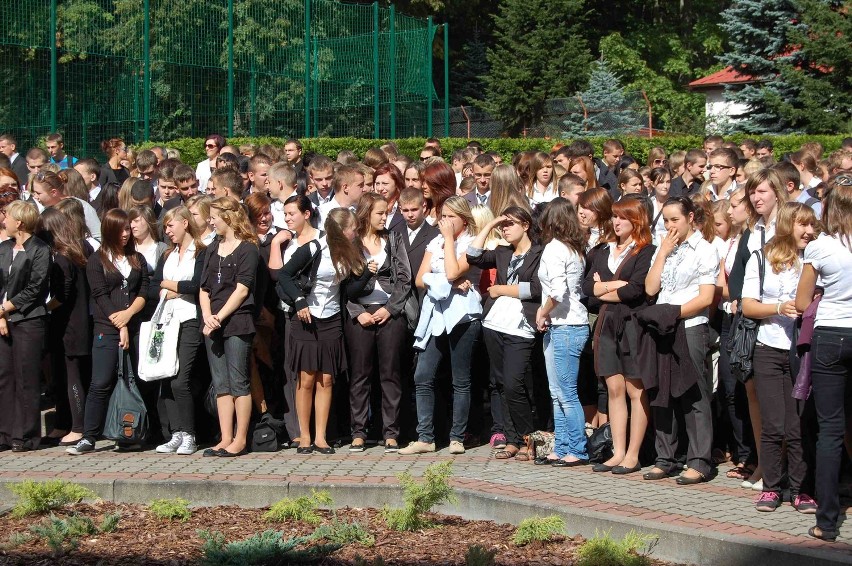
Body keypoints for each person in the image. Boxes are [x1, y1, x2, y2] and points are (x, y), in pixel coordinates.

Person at [742, 202, 818, 512]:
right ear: (787, 226)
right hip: (768, 348)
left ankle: (801, 489)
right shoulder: (761, 259)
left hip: (802, 351)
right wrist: (777, 308)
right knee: (773, 423)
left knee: (798, 424)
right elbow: (748, 305)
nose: (809, 231)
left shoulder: (815, 261)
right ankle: (772, 487)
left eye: (812, 225)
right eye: (802, 225)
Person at [277, 207, 371, 455]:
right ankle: (304, 435)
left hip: (332, 318)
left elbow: (349, 291)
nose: (356, 233)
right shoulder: (314, 247)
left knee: (327, 379)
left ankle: (321, 436)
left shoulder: (348, 254)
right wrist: (299, 301)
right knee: (306, 378)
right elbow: (284, 275)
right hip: (307, 317)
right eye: (352, 229)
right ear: (341, 230)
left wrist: (367, 272)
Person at [643, 196, 719, 484]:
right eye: (665, 220)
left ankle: (699, 460)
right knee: (661, 392)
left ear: (690, 218)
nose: (670, 225)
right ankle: (666, 457)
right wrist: (662, 252)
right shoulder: (666, 247)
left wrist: (672, 315)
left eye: (675, 219)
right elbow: (651, 287)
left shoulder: (705, 249)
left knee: (693, 393)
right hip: (663, 325)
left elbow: (706, 297)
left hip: (689, 325)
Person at [400, 196, 482, 455]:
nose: (444, 222)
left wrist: (449, 242)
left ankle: (457, 436)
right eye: (442, 216)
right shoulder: (433, 242)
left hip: (463, 316)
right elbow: (420, 279)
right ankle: (425, 437)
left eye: (450, 217)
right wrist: (449, 284)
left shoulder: (471, 242)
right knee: (422, 375)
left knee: (461, 379)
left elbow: (453, 270)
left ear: (463, 219)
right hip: (435, 315)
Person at [796, 178, 852, 541]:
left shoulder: (821, 248)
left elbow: (802, 303)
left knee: (830, 430)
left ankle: (827, 521)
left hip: (832, 334)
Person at [67, 209, 149, 455]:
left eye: (128, 229)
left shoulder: (137, 258)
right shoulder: (97, 260)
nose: (126, 234)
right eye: (121, 229)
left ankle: (136, 430)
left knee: (137, 380)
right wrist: (120, 324)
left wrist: (129, 317)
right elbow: (100, 295)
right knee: (100, 382)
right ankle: (89, 436)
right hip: (107, 327)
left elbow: (144, 290)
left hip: (133, 325)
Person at [583, 197, 655, 474]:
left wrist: (606, 287)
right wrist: (612, 287)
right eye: (614, 216)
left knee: (634, 389)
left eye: (623, 217)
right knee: (613, 389)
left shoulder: (645, 250)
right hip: (607, 323)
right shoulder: (602, 250)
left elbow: (635, 290)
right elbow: (588, 286)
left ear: (636, 220)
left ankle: (633, 454)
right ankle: (618, 451)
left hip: (632, 323)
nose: (616, 222)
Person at [468, 206, 542, 461]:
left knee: (515, 383)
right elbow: (473, 255)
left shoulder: (539, 253)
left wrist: (501, 289)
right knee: (500, 384)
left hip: (522, 325)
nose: (505, 228)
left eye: (510, 223)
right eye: (503, 225)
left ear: (526, 224)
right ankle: (511, 440)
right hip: (495, 323)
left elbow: (536, 289)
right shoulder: (502, 252)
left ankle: (527, 438)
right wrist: (489, 225)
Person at [345, 193, 412, 453]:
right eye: (380, 213)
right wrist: (356, 311)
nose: (386, 217)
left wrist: (390, 309)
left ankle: (391, 432)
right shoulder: (350, 243)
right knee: (360, 375)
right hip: (359, 313)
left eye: (387, 212)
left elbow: (404, 279)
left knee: (390, 373)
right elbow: (341, 284)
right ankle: (359, 432)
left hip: (389, 313)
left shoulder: (393, 240)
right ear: (366, 214)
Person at [199, 197, 259, 457]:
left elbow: (242, 289)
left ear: (229, 217)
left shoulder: (248, 249)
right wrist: (207, 316)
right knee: (221, 384)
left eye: (214, 216)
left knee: (238, 382)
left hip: (237, 322)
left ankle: (240, 439)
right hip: (212, 323)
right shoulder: (212, 248)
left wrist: (219, 316)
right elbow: (203, 288)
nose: (211, 221)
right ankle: (224, 437)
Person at [151, 206, 206, 455]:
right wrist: (171, 287)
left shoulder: (201, 252)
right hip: (167, 321)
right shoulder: (168, 255)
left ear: (185, 223)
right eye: (165, 227)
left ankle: (190, 434)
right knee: (167, 377)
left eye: (171, 225)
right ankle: (176, 432)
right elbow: (154, 285)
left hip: (190, 320)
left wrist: (171, 286)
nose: (168, 231)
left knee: (181, 380)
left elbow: (196, 285)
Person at [38, 208, 93, 448]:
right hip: (80, 322)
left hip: (70, 325)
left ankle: (78, 427)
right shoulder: (82, 249)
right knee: (65, 375)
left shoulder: (63, 257)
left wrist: (44, 308)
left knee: (72, 377)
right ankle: (64, 422)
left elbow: (62, 294)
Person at [0, 201, 51, 452]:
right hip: (3, 321)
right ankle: (5, 433)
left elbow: (36, 287)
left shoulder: (40, 249)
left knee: (26, 378)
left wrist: (5, 308)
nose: (4, 221)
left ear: (19, 222)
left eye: (7, 217)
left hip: (28, 320)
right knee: (4, 377)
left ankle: (26, 435)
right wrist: (1, 316)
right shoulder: (3, 248)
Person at [421, 161, 457, 226]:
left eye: (428, 183)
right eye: (423, 182)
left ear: (440, 184)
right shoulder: (424, 206)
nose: (423, 186)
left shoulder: (452, 210)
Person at [372, 163, 405, 231]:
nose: (380, 188)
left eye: (385, 183)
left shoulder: (405, 207)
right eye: (377, 184)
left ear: (396, 184)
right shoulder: (370, 208)